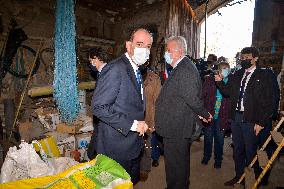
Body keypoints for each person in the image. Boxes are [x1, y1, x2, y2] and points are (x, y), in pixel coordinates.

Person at [91, 28, 152, 184]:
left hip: (131, 144)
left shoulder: (135, 69)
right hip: (116, 147)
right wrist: (132, 125)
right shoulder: (116, 69)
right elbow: (99, 107)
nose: (144, 50)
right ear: (128, 45)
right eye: (139, 44)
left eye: (148, 46)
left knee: (128, 183)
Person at [155, 36, 212, 189]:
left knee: (177, 164)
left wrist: (204, 113)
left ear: (179, 52)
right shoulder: (182, 67)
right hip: (175, 125)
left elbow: (192, 98)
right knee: (176, 163)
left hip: (177, 127)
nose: (166, 54)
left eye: (168, 50)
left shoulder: (185, 69)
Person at [215, 47, 274, 186]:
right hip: (236, 118)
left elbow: (268, 101)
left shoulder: (264, 75)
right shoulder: (237, 73)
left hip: (251, 119)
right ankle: (239, 176)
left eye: (247, 57)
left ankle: (251, 180)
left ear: (255, 58)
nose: (244, 60)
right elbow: (227, 92)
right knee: (238, 150)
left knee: (251, 152)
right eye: (242, 58)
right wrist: (218, 82)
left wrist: (261, 122)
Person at [201, 62, 231, 169]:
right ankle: (206, 156)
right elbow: (202, 96)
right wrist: (202, 112)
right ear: (218, 70)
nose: (226, 70)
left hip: (223, 116)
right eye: (223, 68)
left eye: (227, 68)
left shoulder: (230, 82)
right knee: (208, 138)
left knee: (220, 140)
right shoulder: (209, 80)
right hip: (209, 114)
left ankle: (218, 160)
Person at [86, 47, 112, 160]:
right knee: (95, 147)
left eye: (90, 60)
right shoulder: (103, 72)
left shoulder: (107, 73)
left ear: (96, 58)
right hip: (102, 118)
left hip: (105, 117)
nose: (90, 63)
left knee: (99, 149)